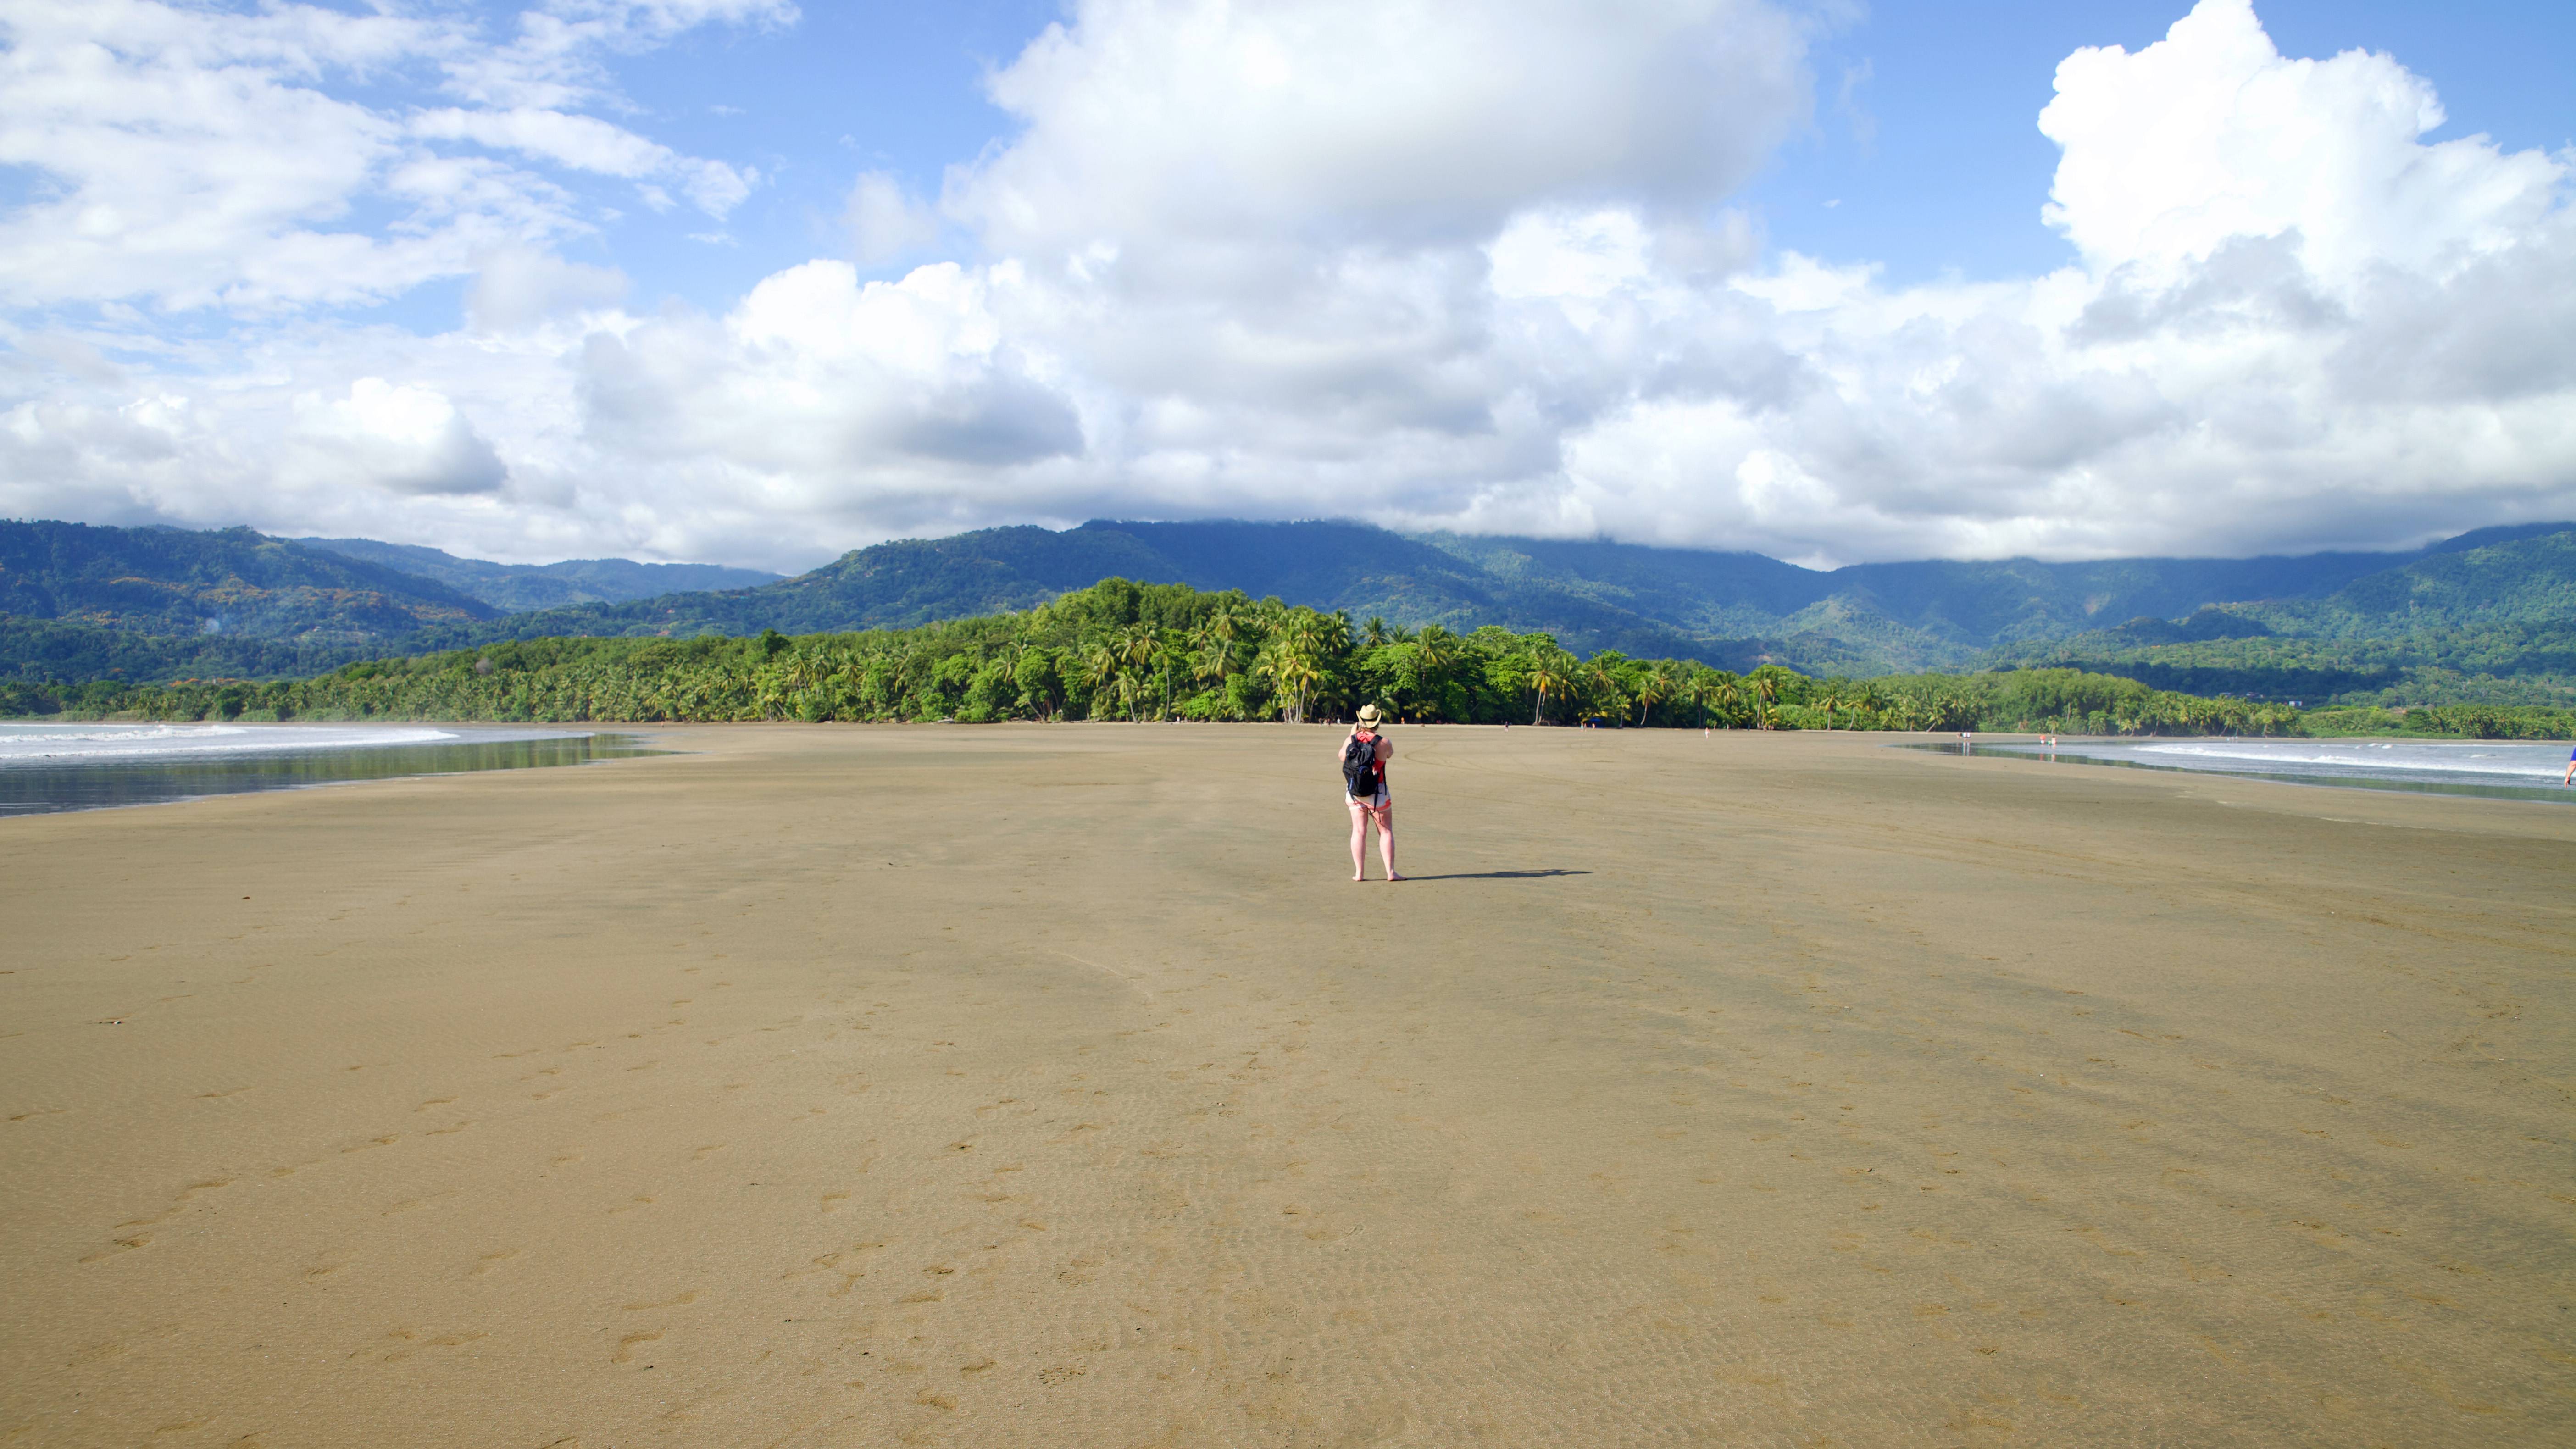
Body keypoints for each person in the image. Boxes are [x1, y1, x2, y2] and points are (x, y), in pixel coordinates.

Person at [1338, 703, 1401, 882]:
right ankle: (1390, 872)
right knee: (1386, 831)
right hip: (1378, 791)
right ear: (1377, 722)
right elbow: (1389, 754)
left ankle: (1359, 873)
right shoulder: (1383, 742)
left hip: (1355, 792)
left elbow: (1342, 756)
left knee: (1359, 831)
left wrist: (1352, 735)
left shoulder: (1351, 740)